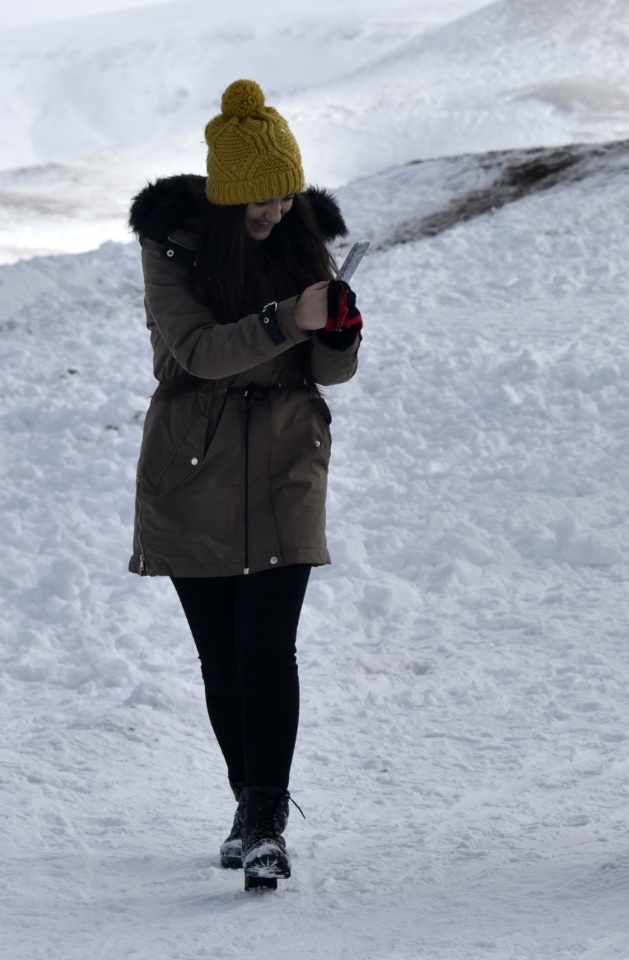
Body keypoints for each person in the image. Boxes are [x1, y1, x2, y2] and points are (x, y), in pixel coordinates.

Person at [126, 79, 363, 890]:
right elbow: (193, 353)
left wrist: (337, 332)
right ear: (226, 199)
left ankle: (266, 821)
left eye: (286, 192)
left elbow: (328, 372)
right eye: (259, 200)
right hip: (192, 466)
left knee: (268, 646)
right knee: (221, 657)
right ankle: (242, 803)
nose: (275, 210)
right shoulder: (173, 249)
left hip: (287, 461)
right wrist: (283, 321)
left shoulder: (304, 243)